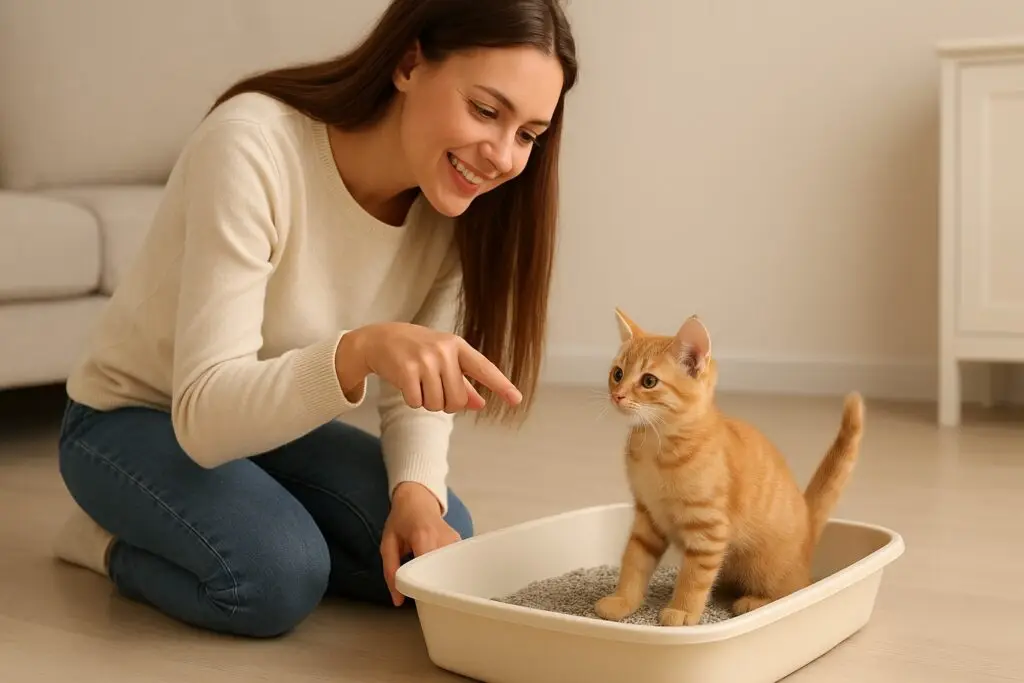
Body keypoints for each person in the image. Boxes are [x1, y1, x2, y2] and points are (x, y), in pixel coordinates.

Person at [52, 0, 578, 638]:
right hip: (135, 417)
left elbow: (421, 389)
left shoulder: (452, 203)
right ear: (410, 62)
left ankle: (246, 523)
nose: (500, 155)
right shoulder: (253, 144)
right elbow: (204, 419)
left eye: (528, 134)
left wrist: (416, 492)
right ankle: (105, 543)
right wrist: (360, 351)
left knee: (441, 546)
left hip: (267, 425)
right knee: (276, 575)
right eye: (486, 111)